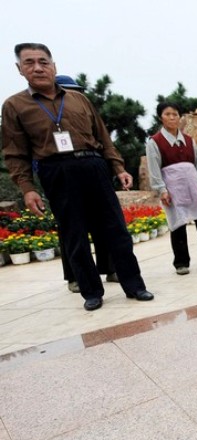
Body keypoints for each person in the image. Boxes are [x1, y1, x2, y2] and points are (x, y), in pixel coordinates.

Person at [1, 43, 153, 311]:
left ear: (53, 65)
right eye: (29, 62)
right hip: (56, 171)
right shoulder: (14, 106)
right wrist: (27, 188)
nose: (37, 67)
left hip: (92, 166)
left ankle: (135, 285)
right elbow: (15, 153)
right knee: (74, 235)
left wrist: (118, 167)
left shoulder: (78, 99)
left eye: (43, 61)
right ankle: (91, 291)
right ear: (20, 69)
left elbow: (103, 136)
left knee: (116, 230)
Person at [146, 102, 197, 275]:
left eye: (175, 114)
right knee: (178, 223)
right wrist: (162, 190)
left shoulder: (189, 140)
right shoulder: (155, 142)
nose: (172, 117)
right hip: (173, 186)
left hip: (193, 183)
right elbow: (154, 168)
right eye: (168, 114)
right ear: (161, 117)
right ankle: (181, 262)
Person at [53, 74, 117, 293]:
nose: (73, 95)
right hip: (62, 174)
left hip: (93, 170)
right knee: (71, 229)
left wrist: (114, 167)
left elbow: (105, 141)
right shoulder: (45, 115)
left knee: (106, 222)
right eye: (68, 90)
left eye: (77, 91)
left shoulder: (86, 111)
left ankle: (110, 268)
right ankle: (74, 276)